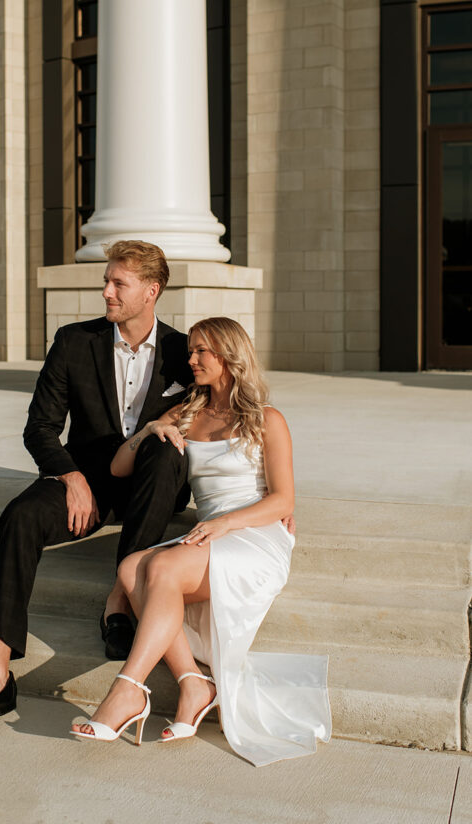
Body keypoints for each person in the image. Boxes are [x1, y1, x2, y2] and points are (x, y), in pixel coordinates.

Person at [0, 241, 194, 736]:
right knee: (21, 515)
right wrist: (71, 477)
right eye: (107, 281)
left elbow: (225, 417)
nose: (106, 292)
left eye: (118, 283)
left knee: (166, 451)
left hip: (151, 484)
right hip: (90, 481)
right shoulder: (75, 341)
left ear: (151, 290)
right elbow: (40, 427)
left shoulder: (183, 353)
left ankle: (120, 599)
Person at [71, 317, 331, 766]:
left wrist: (228, 524)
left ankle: (128, 689)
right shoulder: (186, 412)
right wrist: (150, 431)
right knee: (132, 567)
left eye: (201, 352)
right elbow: (117, 467)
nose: (190, 360)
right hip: (209, 533)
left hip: (252, 535)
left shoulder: (266, 419)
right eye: (190, 351)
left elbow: (283, 499)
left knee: (163, 568)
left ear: (229, 357)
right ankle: (194, 683)